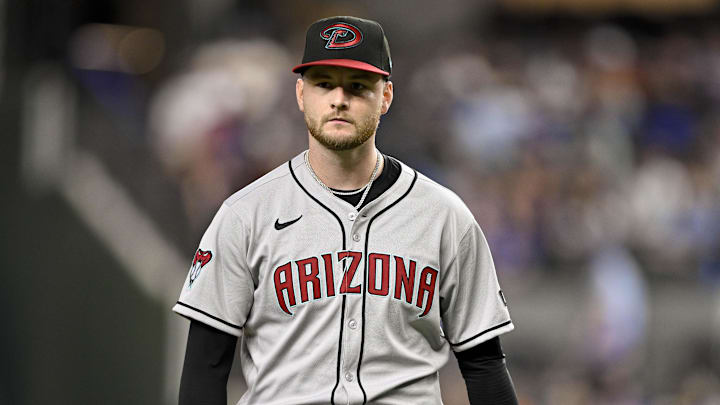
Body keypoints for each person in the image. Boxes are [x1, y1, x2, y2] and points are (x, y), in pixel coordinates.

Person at [174, 16, 518, 405]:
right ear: (301, 94)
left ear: (385, 96)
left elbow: (485, 365)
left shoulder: (445, 217)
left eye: (357, 86)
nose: (339, 99)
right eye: (324, 84)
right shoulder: (245, 215)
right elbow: (205, 367)